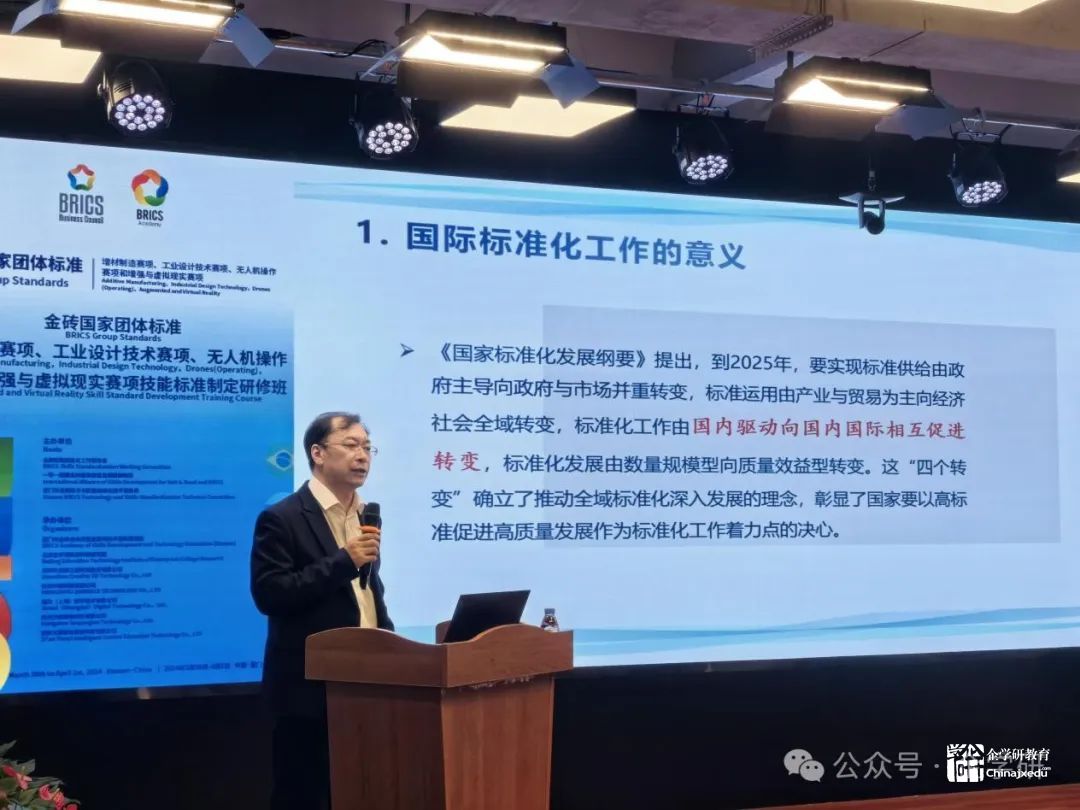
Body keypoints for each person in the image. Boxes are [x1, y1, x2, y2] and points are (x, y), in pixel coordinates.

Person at [250, 411, 394, 810]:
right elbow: (270, 594)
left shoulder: (364, 516)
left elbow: (366, 596)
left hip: (367, 682)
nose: (362, 455)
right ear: (317, 453)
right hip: (308, 691)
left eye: (368, 447)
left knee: (360, 791)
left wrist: (393, 645)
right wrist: (344, 561)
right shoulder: (282, 518)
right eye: (351, 445)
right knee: (303, 795)